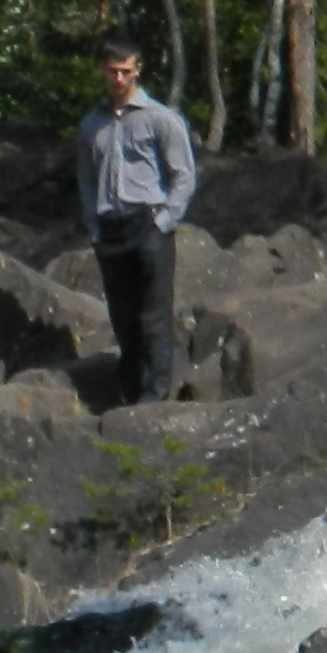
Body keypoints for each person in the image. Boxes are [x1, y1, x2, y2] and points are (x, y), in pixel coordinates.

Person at [75, 37, 200, 404]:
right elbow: (85, 178)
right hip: (110, 227)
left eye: (126, 72)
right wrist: (93, 226)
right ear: (101, 70)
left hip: (148, 224)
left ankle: (155, 397)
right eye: (112, 71)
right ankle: (128, 396)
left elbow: (184, 176)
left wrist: (163, 221)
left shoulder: (161, 119)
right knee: (123, 320)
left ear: (138, 71)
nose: (118, 79)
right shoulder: (91, 125)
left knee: (154, 318)